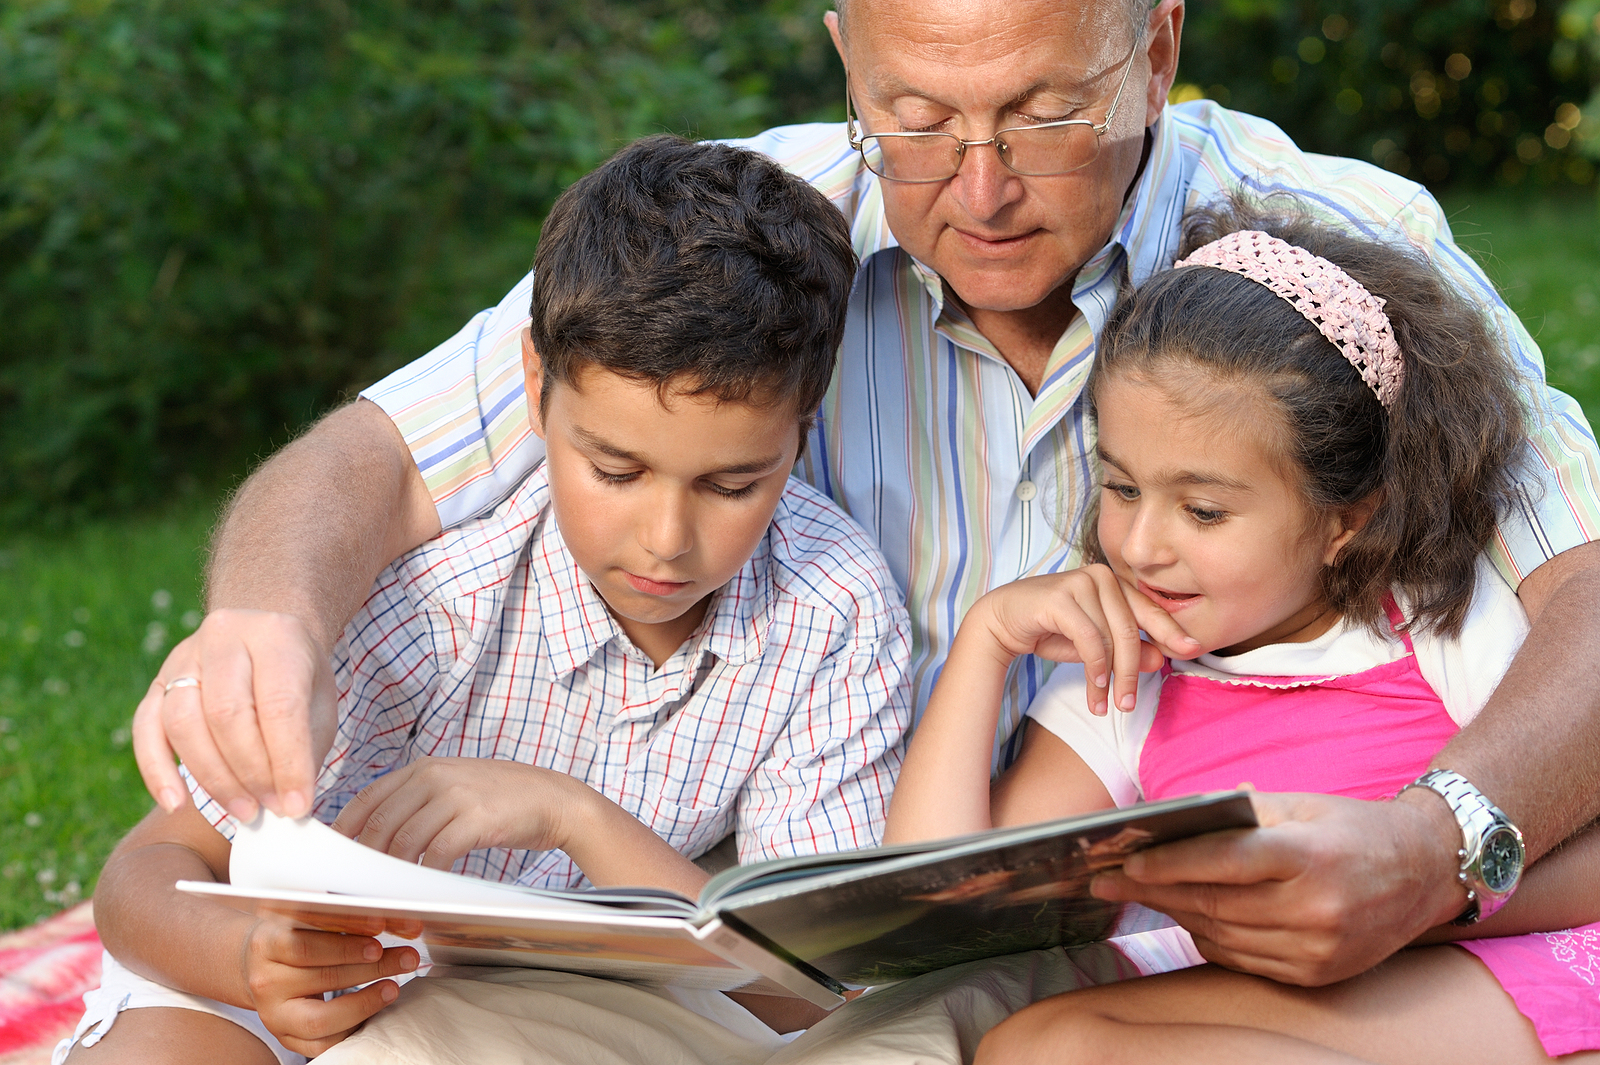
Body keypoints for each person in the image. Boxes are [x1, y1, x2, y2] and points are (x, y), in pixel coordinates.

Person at [135, 0, 1600, 988]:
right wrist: (262, 622)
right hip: (791, 887)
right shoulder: (750, 242)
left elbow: (1584, 587)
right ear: (847, 61)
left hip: (1122, 889)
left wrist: (1441, 843)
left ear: (1155, 49)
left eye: (1040, 114)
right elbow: (373, 454)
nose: (978, 187)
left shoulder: (1331, 249)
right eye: (911, 116)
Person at [60, 135, 911, 1065]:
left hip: (551, 1013)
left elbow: (811, 986)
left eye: (734, 485)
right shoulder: (434, 601)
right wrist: (250, 965)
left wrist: (574, 817)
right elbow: (144, 875)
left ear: (806, 421)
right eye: (615, 469)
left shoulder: (832, 608)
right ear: (538, 388)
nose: (668, 538)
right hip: (275, 979)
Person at [868, 201, 1600, 1063]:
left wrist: (1409, 903)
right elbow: (941, 922)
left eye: (1204, 510)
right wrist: (985, 645)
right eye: (1123, 488)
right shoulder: (1123, 674)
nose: (1141, 546)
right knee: (1033, 1043)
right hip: (1283, 1006)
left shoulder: (1438, 625)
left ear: (1345, 521)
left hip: (1520, 973)